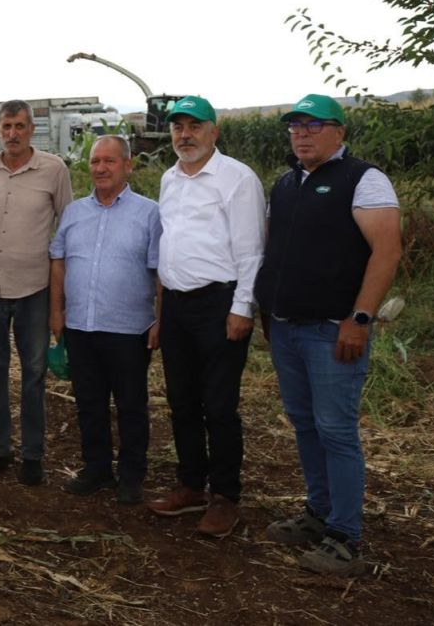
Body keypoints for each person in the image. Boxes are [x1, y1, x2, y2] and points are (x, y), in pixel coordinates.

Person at [254, 94, 400, 577]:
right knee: (304, 422)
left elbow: (386, 252)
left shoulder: (363, 179)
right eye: (295, 126)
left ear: (338, 131)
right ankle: (318, 513)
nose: (302, 133)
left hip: (332, 330)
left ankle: (345, 537)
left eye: (313, 125)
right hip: (286, 326)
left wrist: (361, 319)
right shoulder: (286, 182)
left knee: (336, 430)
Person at [147, 95, 265, 538]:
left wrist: (242, 308)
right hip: (177, 305)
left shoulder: (236, 179)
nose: (185, 135)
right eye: (178, 127)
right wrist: (161, 312)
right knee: (181, 402)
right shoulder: (169, 179)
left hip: (220, 304)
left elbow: (252, 250)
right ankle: (191, 484)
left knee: (218, 405)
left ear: (214, 131)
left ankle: (225, 496)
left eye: (194, 126)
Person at [49, 135, 161, 505]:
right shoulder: (75, 212)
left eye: (109, 161)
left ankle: (131, 476)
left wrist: (160, 319)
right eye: (95, 161)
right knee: (89, 402)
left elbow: (161, 271)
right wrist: (57, 310)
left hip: (130, 328)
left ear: (128, 166)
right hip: (81, 325)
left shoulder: (149, 213)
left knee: (131, 404)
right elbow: (59, 262)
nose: (100, 168)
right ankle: (96, 468)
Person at [0, 100, 73, 484]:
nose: (12, 133)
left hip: (34, 288)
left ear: (32, 130)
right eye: (6, 126)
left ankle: (32, 454)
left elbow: (68, 225)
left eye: (19, 126)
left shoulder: (54, 170)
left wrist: (63, 296)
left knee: (33, 371)